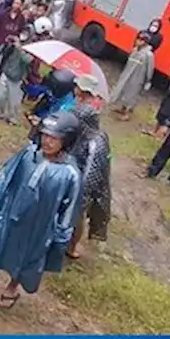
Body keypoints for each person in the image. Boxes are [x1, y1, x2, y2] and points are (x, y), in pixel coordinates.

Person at [0, 111, 83, 308]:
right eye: (45, 135)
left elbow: (69, 210)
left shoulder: (70, 174)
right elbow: (5, 177)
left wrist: (61, 238)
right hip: (9, 214)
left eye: (54, 138)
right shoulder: (28, 155)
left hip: (38, 226)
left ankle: (12, 288)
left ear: (66, 140)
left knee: (26, 260)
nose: (48, 141)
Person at [66, 103, 111, 258]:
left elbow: (92, 173)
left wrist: (79, 195)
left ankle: (72, 246)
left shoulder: (96, 143)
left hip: (84, 185)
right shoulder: (77, 133)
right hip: (69, 175)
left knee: (77, 216)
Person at [110, 32, 155, 121]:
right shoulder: (134, 50)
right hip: (127, 75)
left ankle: (127, 114)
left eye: (140, 40)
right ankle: (122, 109)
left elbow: (150, 69)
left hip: (138, 78)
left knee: (131, 95)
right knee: (124, 92)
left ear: (145, 42)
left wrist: (148, 81)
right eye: (138, 39)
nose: (137, 41)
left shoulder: (148, 55)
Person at [0, 33, 32, 122]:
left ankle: (13, 119)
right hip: (6, 72)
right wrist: (8, 44)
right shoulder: (14, 44)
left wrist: (20, 49)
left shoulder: (31, 47)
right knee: (1, 95)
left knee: (14, 100)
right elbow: (2, 53)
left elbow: (28, 60)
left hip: (17, 77)